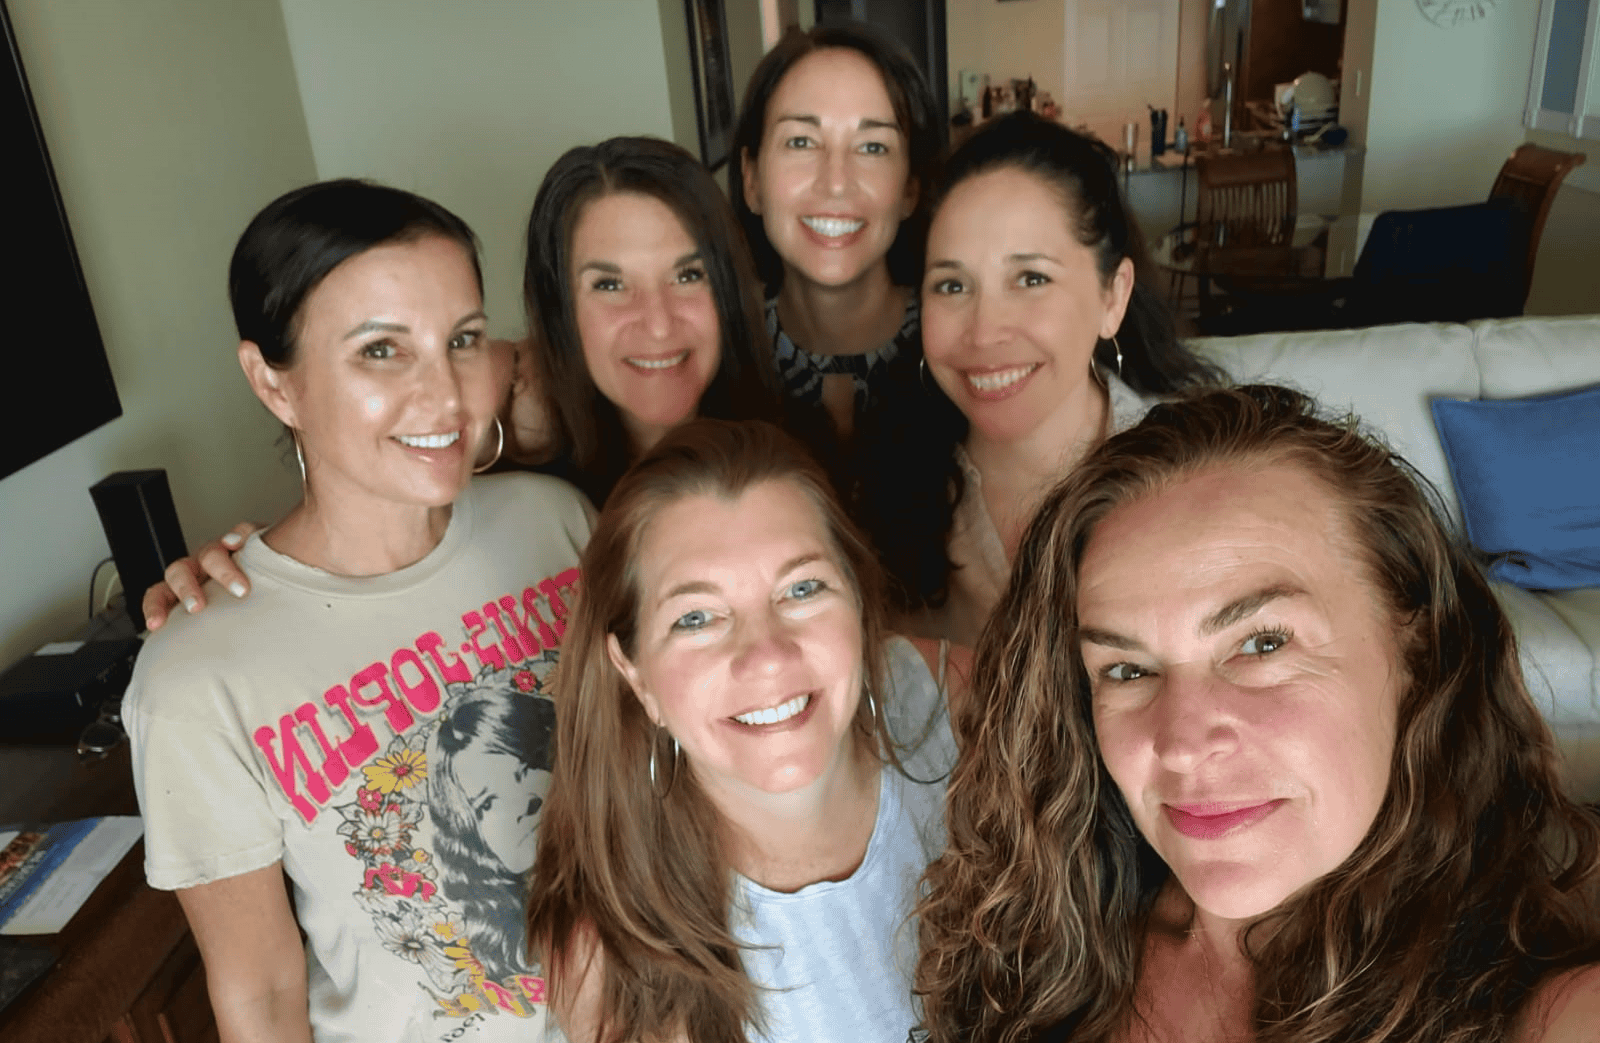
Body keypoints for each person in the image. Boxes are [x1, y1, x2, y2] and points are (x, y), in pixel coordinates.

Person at [914, 384, 1600, 1043]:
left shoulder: (1542, 1007)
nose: (1181, 743)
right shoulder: (1048, 941)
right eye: (1127, 669)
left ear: (1418, 650)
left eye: (1262, 643)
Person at [123, 179, 593, 1043]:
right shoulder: (194, 678)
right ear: (272, 381)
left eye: (461, 339)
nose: (445, 393)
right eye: (381, 350)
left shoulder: (554, 523)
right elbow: (260, 994)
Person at [144, 136, 786, 627]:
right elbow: (357, 531)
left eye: (689, 274)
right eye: (609, 284)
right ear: (560, 309)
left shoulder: (789, 452)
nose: (657, 321)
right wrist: (250, 575)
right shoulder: (517, 472)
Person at [525, 418, 969, 1043]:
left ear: (860, 599)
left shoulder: (955, 705)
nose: (766, 655)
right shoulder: (612, 963)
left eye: (802, 588)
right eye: (697, 617)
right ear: (634, 673)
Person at [872, 111, 1219, 642]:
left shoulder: (1207, 481)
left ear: (1114, 296)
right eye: (951, 286)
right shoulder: (889, 486)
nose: (984, 333)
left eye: (1031, 278)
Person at [729, 20, 944, 442]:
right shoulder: (719, 357)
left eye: (872, 147)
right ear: (751, 180)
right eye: (801, 142)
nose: (836, 182)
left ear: (909, 189)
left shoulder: (962, 343)